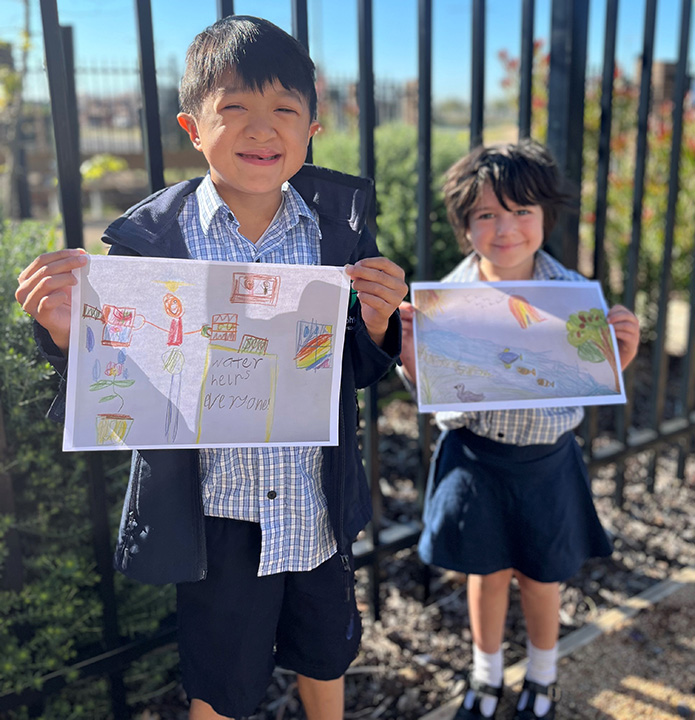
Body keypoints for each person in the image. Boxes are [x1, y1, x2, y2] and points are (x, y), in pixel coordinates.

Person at [16, 16, 407, 720]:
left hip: (313, 503)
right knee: (219, 685)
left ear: (312, 126)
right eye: (235, 109)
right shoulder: (153, 244)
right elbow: (120, 382)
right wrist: (70, 335)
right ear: (192, 128)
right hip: (216, 516)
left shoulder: (335, 233)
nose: (263, 129)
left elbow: (347, 368)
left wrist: (377, 322)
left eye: (285, 110)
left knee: (325, 655)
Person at [398, 140, 640, 720]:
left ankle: (542, 675)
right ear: (464, 226)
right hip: (476, 458)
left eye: (522, 212)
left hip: (547, 461)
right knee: (485, 574)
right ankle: (485, 678)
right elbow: (440, 402)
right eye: (487, 215)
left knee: (541, 577)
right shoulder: (446, 303)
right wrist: (414, 362)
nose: (506, 229)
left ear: (545, 218)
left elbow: (582, 383)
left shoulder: (573, 298)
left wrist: (616, 362)